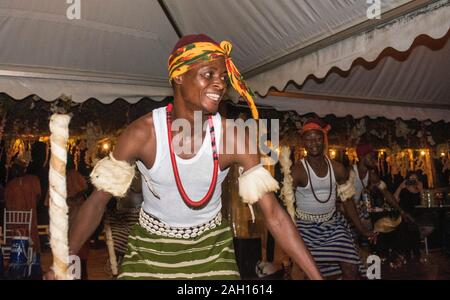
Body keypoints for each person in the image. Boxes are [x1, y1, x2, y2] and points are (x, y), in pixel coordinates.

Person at [46, 34, 321, 280]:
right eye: (208, 74)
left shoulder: (234, 137)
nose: (219, 84)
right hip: (151, 249)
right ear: (178, 75)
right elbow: (97, 202)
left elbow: (273, 213)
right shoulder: (143, 134)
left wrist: (315, 277)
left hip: (212, 248)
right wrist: (61, 261)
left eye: (223, 77)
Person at [291, 119, 377, 279]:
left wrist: (362, 230)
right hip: (305, 228)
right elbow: (287, 205)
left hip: (332, 225)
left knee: (351, 266)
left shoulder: (338, 169)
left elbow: (347, 201)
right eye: (308, 139)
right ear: (303, 142)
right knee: (310, 272)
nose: (313, 143)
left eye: (317, 138)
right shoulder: (297, 171)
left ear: (323, 139)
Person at [45, 157, 90, 279]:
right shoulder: (55, 176)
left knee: (79, 244)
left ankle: (81, 273)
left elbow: (84, 188)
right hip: (62, 216)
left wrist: (72, 198)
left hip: (77, 214)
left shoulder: (73, 174)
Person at [4, 160, 41, 253]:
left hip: (15, 221)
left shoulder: (11, 184)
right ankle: (30, 253)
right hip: (28, 218)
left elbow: (7, 203)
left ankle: (16, 252)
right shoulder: (33, 180)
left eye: (14, 169)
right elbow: (38, 196)